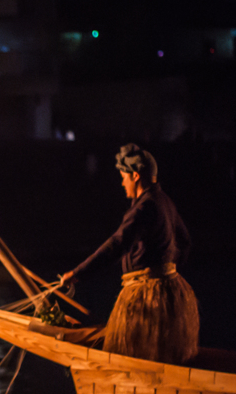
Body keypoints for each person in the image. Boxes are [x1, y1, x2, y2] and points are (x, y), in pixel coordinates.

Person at [60, 143, 199, 364]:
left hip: (147, 296)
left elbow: (116, 245)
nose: (122, 182)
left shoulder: (143, 209)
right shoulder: (165, 201)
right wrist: (166, 268)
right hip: (170, 289)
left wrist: (77, 273)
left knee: (129, 355)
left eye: (123, 176)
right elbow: (185, 242)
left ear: (135, 176)